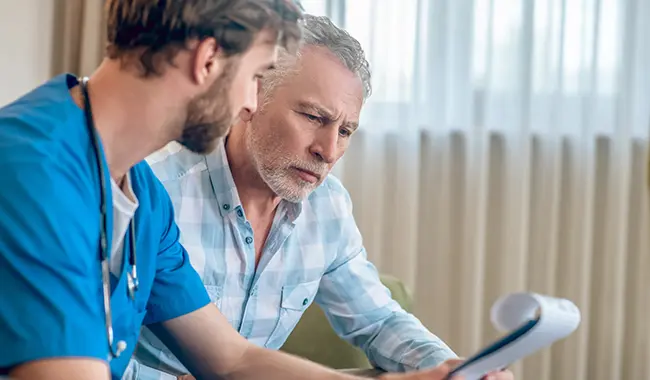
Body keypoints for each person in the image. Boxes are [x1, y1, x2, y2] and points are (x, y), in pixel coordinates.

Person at [0, 1, 469, 380]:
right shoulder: (32, 171)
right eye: (255, 75)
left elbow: (230, 359)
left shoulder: (142, 196)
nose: (250, 101)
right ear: (208, 61)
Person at [136, 14, 514, 380]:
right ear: (253, 93)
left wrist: (452, 370)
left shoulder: (327, 206)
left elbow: (378, 321)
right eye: (314, 117)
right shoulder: (154, 189)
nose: (329, 151)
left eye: (346, 131)